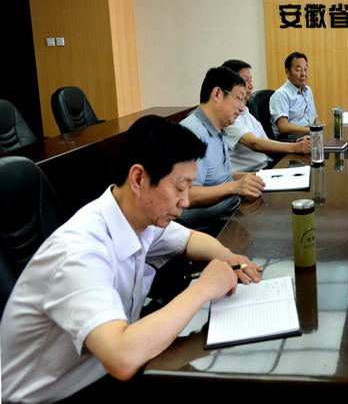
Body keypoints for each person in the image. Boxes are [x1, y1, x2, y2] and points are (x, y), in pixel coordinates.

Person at [0, 115, 263, 403]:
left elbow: (189, 239)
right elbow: (122, 358)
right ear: (139, 179)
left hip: (99, 372)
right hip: (53, 396)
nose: (186, 201)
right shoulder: (79, 253)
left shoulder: (140, 217)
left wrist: (229, 258)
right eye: (179, 188)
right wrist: (204, 288)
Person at [179, 67, 265, 229]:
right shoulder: (192, 133)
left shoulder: (219, 128)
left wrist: (256, 177)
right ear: (217, 94)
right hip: (208, 224)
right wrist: (234, 187)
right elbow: (186, 194)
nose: (242, 107)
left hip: (229, 209)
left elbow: (217, 178)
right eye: (239, 99)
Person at [221, 59, 310, 172]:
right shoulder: (227, 117)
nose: (251, 86)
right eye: (245, 81)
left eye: (250, 80)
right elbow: (254, 143)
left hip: (267, 166)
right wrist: (295, 147)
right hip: (250, 173)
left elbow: (266, 142)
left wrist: (295, 142)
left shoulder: (246, 112)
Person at [269, 52, 319, 136]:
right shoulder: (281, 95)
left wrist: (320, 132)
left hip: (309, 136)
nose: (303, 74)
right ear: (287, 72)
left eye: (305, 69)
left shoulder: (308, 91)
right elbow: (283, 127)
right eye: (298, 70)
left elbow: (315, 118)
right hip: (292, 139)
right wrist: (311, 131)